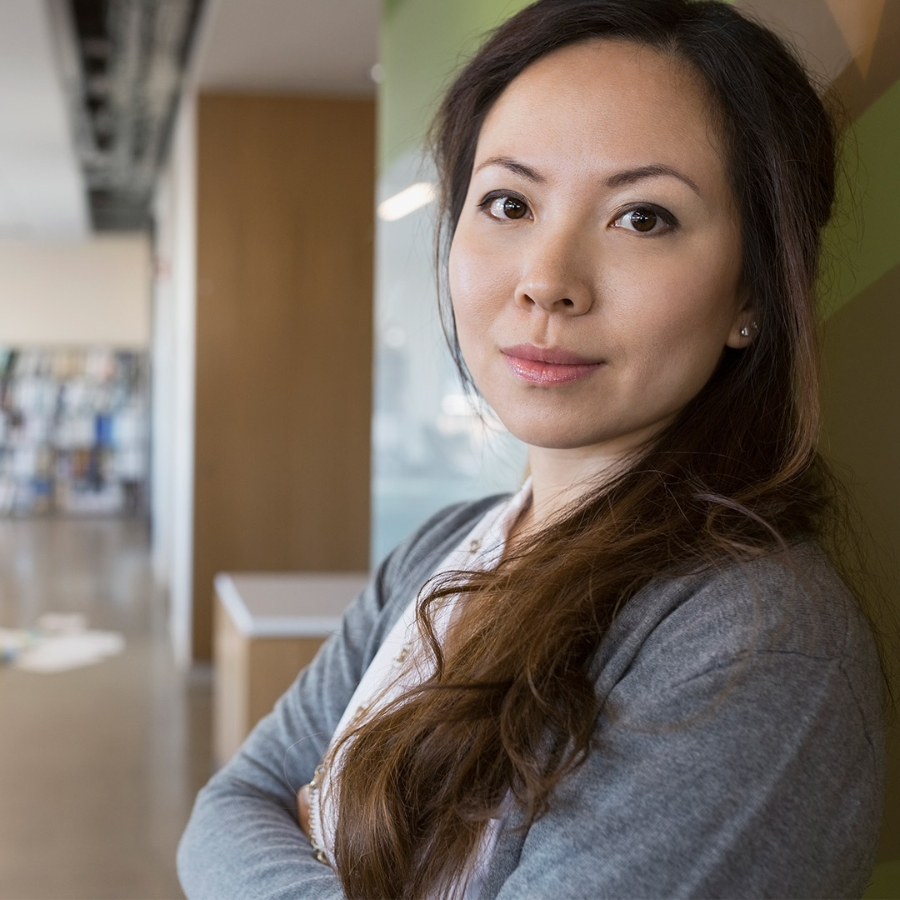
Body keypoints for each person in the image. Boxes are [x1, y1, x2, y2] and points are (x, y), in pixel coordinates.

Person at [178, 0, 886, 897]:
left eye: (643, 217)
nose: (547, 280)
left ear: (754, 291)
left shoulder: (752, 645)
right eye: (508, 202)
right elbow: (229, 806)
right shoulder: (445, 548)